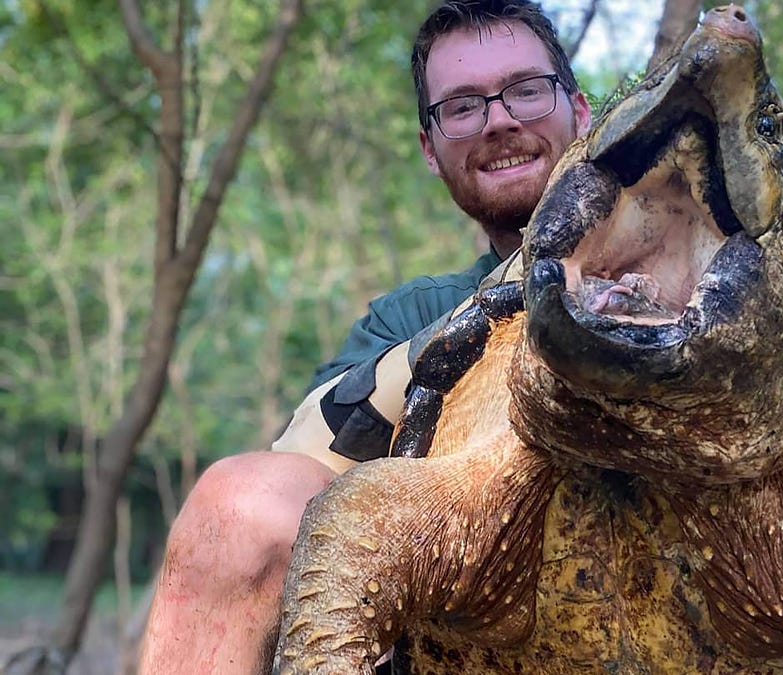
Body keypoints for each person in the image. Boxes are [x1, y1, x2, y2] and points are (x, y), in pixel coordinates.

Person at [137, 2, 591, 672]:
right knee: (235, 506)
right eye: (462, 106)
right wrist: (516, 288)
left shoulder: (703, 255)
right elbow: (297, 458)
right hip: (471, 602)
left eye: (524, 90)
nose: (498, 119)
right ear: (431, 149)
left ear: (580, 111)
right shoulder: (410, 315)